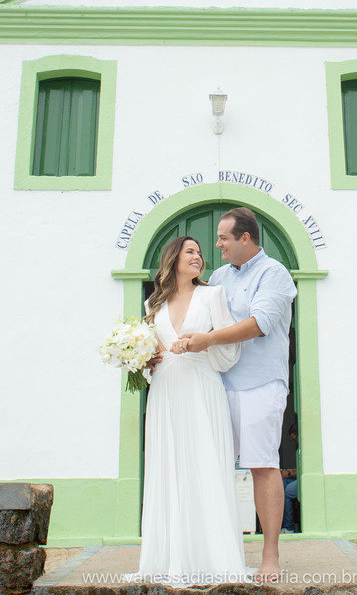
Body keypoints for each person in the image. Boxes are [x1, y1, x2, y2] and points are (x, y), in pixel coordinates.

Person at [180, 207, 297, 581]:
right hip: (218, 383)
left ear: (245, 238)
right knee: (215, 468)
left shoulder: (274, 274)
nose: (218, 245)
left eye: (224, 238)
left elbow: (259, 324)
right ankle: (220, 553)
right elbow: (196, 318)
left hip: (262, 383)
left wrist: (207, 340)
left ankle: (270, 556)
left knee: (263, 465)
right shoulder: (217, 276)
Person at [133, 235, 247, 585]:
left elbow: (230, 346)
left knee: (204, 463)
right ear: (174, 259)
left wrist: (202, 345)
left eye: (200, 253)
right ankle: (168, 557)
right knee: (170, 465)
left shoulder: (212, 295)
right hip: (166, 391)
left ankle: (213, 557)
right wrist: (143, 360)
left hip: (202, 387)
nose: (198, 257)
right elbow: (150, 353)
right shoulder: (155, 302)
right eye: (190, 252)